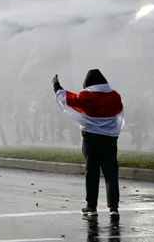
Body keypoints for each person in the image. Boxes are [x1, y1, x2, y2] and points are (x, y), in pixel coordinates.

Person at [53, 70, 124, 218]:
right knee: (111, 174)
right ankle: (114, 207)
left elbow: (69, 99)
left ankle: (91, 207)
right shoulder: (115, 96)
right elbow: (118, 111)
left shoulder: (86, 96)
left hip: (91, 140)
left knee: (92, 173)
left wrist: (57, 86)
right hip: (110, 141)